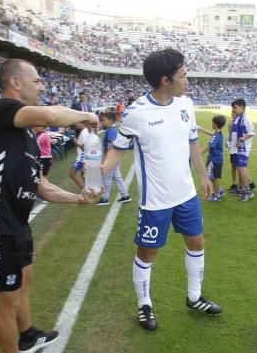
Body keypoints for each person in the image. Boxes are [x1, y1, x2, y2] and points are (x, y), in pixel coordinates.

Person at [0, 58, 99, 353]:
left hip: (15, 222)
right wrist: (84, 116)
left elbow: (40, 185)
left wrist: (77, 198)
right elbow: (51, 116)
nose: (41, 86)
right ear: (15, 82)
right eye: (37, 80)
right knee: (7, 298)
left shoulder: (25, 135)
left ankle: (27, 336)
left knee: (25, 277)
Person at [102, 48, 222, 331]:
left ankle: (194, 297)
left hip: (186, 194)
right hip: (155, 201)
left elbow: (193, 142)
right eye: (183, 76)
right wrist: (98, 174)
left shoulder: (186, 105)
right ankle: (145, 305)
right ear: (165, 80)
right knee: (148, 254)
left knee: (197, 243)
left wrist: (203, 176)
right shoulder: (136, 114)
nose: (188, 81)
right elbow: (117, 150)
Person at [95, 112, 131, 206]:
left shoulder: (110, 131)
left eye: (104, 120)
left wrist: (107, 160)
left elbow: (112, 146)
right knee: (117, 177)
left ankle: (105, 198)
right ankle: (125, 195)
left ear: (110, 120)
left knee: (106, 178)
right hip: (114, 159)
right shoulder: (113, 129)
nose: (102, 122)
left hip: (111, 159)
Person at [230, 98, 256, 201]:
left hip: (243, 148)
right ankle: (242, 188)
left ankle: (247, 191)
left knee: (241, 168)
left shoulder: (246, 118)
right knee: (238, 167)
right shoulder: (238, 118)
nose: (234, 110)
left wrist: (242, 139)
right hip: (237, 148)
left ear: (241, 107)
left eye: (235, 108)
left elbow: (252, 132)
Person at [202, 114, 226, 202]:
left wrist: (200, 152)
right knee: (212, 176)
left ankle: (217, 195)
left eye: (212, 122)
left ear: (215, 124)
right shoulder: (217, 134)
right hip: (215, 159)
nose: (211, 123)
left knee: (213, 177)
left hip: (215, 160)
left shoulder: (217, 136)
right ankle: (220, 190)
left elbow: (210, 146)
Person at [69, 121, 88, 190]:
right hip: (83, 155)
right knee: (83, 174)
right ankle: (87, 188)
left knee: (72, 174)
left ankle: (84, 189)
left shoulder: (84, 132)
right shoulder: (85, 131)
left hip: (82, 156)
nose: (76, 124)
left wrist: (75, 141)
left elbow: (84, 147)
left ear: (82, 123)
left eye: (77, 123)